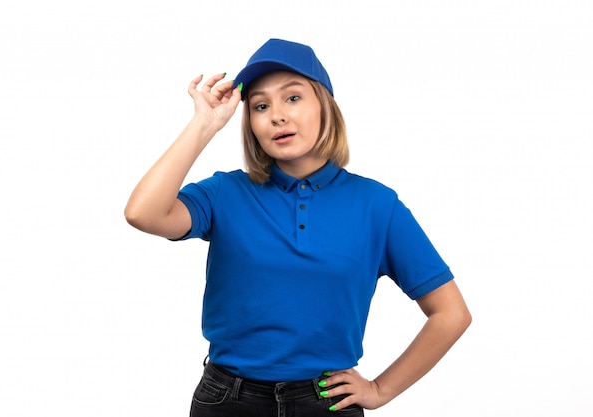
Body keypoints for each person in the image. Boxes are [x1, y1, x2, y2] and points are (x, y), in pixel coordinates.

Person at [125, 38, 471, 416]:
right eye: (260, 105)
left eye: (292, 98)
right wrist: (204, 124)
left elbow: (451, 314)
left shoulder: (377, 205)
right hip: (227, 400)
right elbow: (143, 213)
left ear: (324, 105)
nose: (277, 115)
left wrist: (380, 390)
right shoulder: (225, 192)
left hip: (326, 402)